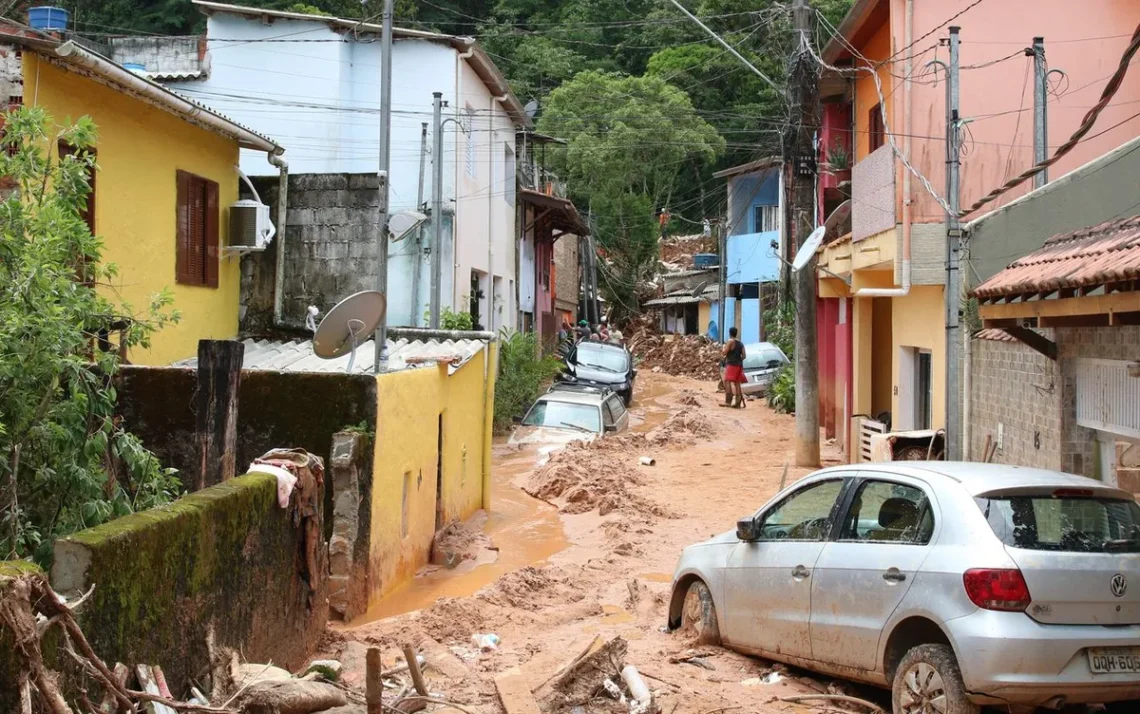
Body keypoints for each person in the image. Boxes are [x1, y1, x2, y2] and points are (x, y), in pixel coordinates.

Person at [721, 327, 747, 408]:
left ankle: (728, 401)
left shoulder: (730, 341)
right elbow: (744, 356)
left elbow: (725, 353)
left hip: (731, 364)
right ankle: (738, 403)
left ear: (729, 333)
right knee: (737, 382)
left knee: (727, 381)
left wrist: (723, 349)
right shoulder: (740, 343)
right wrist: (738, 359)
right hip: (739, 365)